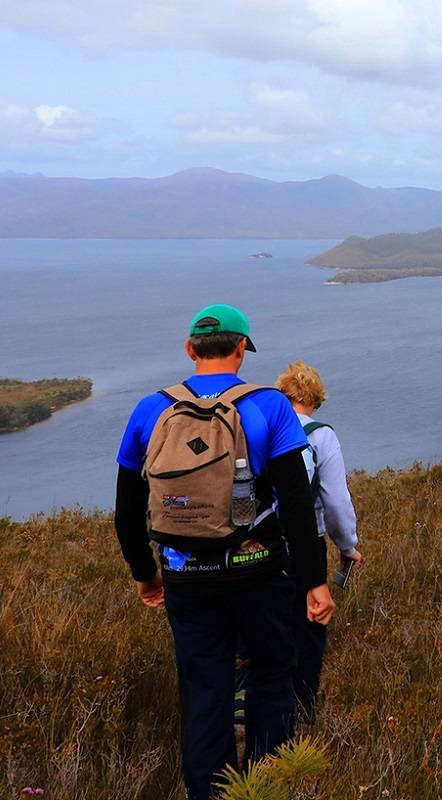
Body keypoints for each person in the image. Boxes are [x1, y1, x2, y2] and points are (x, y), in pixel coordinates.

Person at [113, 304, 335, 800]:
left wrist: (144, 572)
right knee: (272, 674)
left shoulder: (151, 409)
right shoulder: (270, 406)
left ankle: (209, 793)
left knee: (205, 688)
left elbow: (127, 507)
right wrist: (314, 581)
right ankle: (265, 784)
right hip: (259, 570)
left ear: (190, 350)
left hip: (185, 577)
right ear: (241, 350)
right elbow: (297, 502)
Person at [275, 360, 361, 721]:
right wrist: (348, 546)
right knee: (307, 631)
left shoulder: (263, 429)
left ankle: (255, 710)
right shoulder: (321, 435)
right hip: (304, 546)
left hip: (256, 546)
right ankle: (301, 712)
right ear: (316, 399)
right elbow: (336, 502)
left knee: (265, 630)